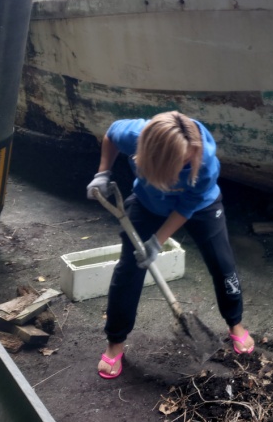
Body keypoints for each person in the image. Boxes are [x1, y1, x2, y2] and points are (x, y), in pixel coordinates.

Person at [86, 111, 254, 379]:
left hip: (200, 206)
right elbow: (110, 135)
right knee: (129, 269)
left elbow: (186, 207)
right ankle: (115, 342)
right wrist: (103, 172)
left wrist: (157, 242)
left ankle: (235, 322)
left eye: (186, 161)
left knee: (222, 264)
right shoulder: (136, 135)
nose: (184, 165)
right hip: (148, 202)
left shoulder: (205, 160)